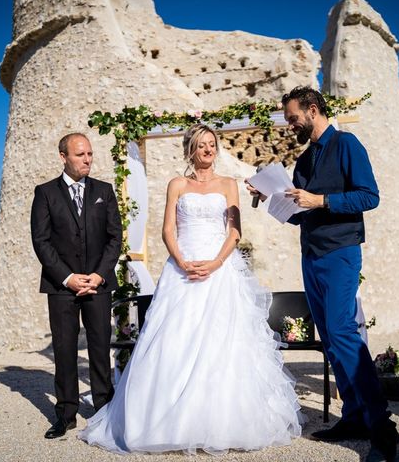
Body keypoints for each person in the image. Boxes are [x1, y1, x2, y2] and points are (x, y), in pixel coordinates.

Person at [79, 123, 304, 454]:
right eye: (202, 145)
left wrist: (214, 264)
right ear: (191, 150)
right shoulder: (177, 184)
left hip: (219, 270)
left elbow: (234, 232)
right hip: (182, 271)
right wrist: (182, 261)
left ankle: (222, 423)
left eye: (212, 144)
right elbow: (168, 229)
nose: (209, 150)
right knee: (173, 341)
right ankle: (164, 422)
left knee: (222, 342)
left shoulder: (229, 184)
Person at [246, 86, 399, 461]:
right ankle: (354, 416)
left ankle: (383, 426)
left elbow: (369, 196)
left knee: (344, 331)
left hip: (341, 253)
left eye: (293, 117)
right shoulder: (303, 160)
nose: (290, 124)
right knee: (330, 337)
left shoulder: (348, 145)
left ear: (313, 110)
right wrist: (276, 198)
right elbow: (300, 211)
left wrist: (323, 200)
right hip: (311, 254)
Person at [31, 132, 122, 439]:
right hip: (61, 288)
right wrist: (68, 278)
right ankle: (65, 415)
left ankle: (104, 411)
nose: (87, 159)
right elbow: (41, 242)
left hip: (98, 284)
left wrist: (98, 274)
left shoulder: (104, 191)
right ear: (63, 157)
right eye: (80, 155)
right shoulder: (44, 193)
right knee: (65, 351)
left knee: (99, 349)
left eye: (90, 154)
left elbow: (115, 239)